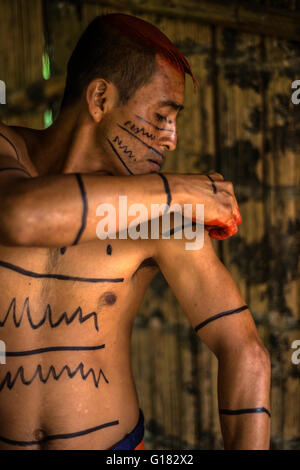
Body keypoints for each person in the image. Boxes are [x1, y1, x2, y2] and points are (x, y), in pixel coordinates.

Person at [0, 13, 271, 450]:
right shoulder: (6, 151)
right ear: (101, 98)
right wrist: (179, 187)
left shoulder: (161, 215)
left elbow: (246, 352)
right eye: (162, 116)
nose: (172, 140)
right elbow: (21, 216)